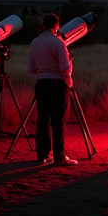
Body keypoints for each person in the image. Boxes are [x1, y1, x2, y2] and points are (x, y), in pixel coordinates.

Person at [27, 12, 77, 166]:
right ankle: (59, 156)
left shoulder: (35, 42)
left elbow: (32, 68)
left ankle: (42, 155)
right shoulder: (58, 43)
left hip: (41, 84)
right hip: (58, 85)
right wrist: (70, 61)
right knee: (58, 122)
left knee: (43, 120)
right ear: (57, 25)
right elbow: (64, 68)